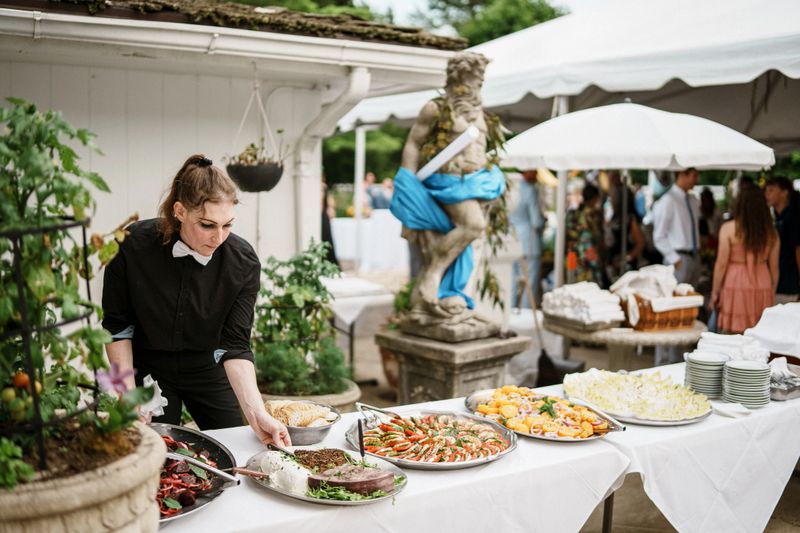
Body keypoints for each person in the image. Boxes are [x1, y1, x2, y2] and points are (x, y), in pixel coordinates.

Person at [102, 154, 290, 446]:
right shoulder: (131, 246)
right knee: (152, 452)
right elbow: (117, 327)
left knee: (236, 446)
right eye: (207, 225)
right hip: (149, 368)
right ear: (180, 211)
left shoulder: (242, 263)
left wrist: (258, 412)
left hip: (207, 368)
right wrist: (127, 395)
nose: (219, 238)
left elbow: (235, 347)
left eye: (227, 225)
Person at [709, 187, 779, 333]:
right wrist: (771, 290)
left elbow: (721, 264)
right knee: (759, 334)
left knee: (734, 333)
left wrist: (715, 292)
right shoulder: (772, 233)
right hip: (762, 281)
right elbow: (774, 267)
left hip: (735, 282)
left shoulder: (728, 229)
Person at [652, 168, 701, 364]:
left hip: (692, 256)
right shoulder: (668, 201)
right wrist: (674, 258)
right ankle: (664, 360)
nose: (696, 179)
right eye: (694, 175)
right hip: (678, 259)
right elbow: (659, 235)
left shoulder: (691, 200)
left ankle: (676, 359)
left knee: (684, 312)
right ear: (683, 174)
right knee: (669, 311)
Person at [510, 170, 545, 307]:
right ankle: (526, 314)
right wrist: (543, 221)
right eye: (534, 171)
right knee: (530, 283)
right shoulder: (531, 189)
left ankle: (510, 311)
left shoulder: (510, 188)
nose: (537, 174)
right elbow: (536, 221)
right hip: (529, 242)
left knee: (512, 281)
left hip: (511, 240)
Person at [765, 176, 800, 304]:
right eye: (766, 191)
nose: (766, 194)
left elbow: (798, 249)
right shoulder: (778, 217)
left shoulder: (793, 217)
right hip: (779, 280)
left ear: (784, 193)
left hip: (789, 283)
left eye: (771, 190)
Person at [566, 183, 605, 286]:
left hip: (572, 255)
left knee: (573, 285)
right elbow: (590, 238)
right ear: (595, 198)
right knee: (589, 290)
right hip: (587, 258)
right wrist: (597, 262)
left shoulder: (573, 213)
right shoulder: (591, 214)